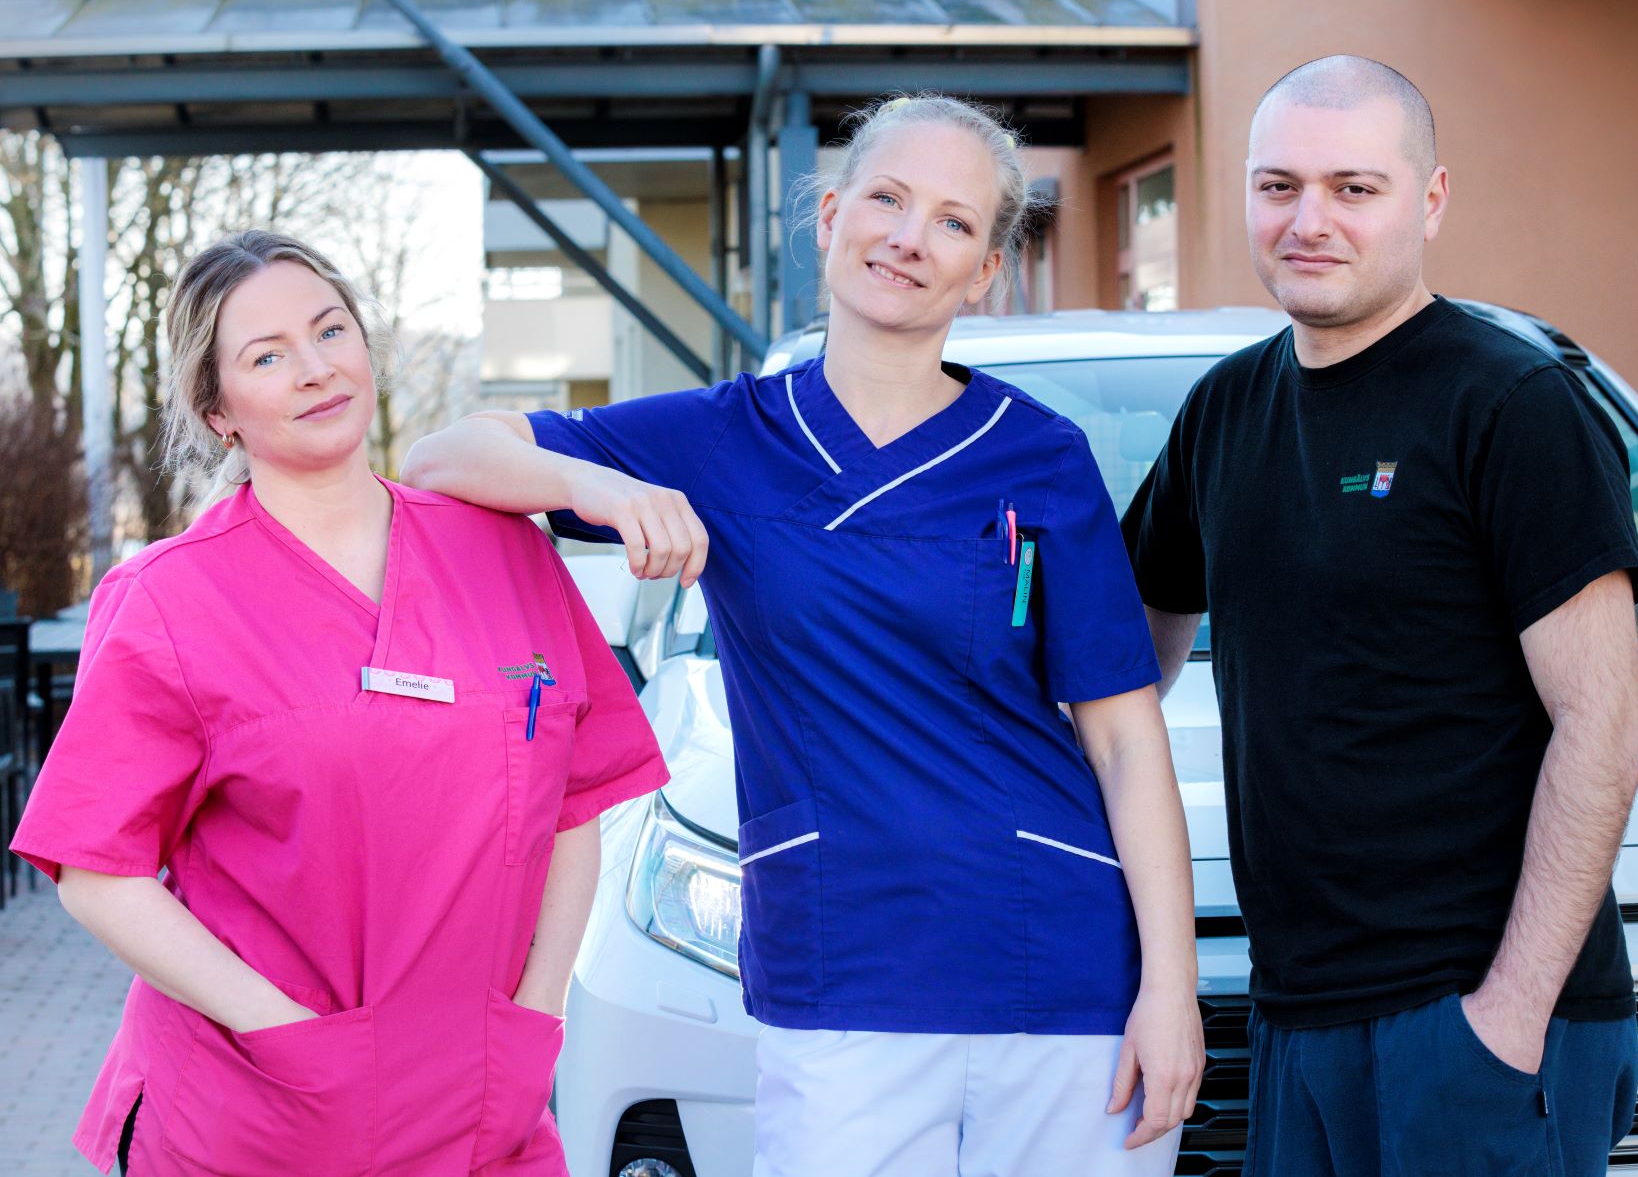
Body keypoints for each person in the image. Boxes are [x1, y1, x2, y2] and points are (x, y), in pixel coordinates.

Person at [405, 94, 1203, 1175]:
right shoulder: (719, 439)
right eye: (887, 199)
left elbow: (1123, 737)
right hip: (840, 970)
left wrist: (1171, 987)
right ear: (830, 218)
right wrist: (598, 486)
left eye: (953, 222)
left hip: (1058, 969)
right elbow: (444, 458)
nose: (909, 237)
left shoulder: (1042, 457)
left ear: (984, 272)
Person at [9, 231, 668, 1176]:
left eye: (330, 331)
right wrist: (279, 1030)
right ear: (217, 410)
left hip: (488, 1108)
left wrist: (540, 1008)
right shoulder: (170, 601)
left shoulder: (504, 551)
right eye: (266, 356)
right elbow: (94, 870)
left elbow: (574, 805)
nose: (316, 369)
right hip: (261, 1112)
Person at [1120, 55, 1638, 1175]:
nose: (1308, 221)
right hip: (1297, 1010)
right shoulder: (1225, 411)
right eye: (1278, 186)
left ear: (1431, 199)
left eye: (1353, 188)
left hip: (1475, 1015)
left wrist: (1506, 1018)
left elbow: (1602, 726)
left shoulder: (1509, 404)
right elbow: (1117, 668)